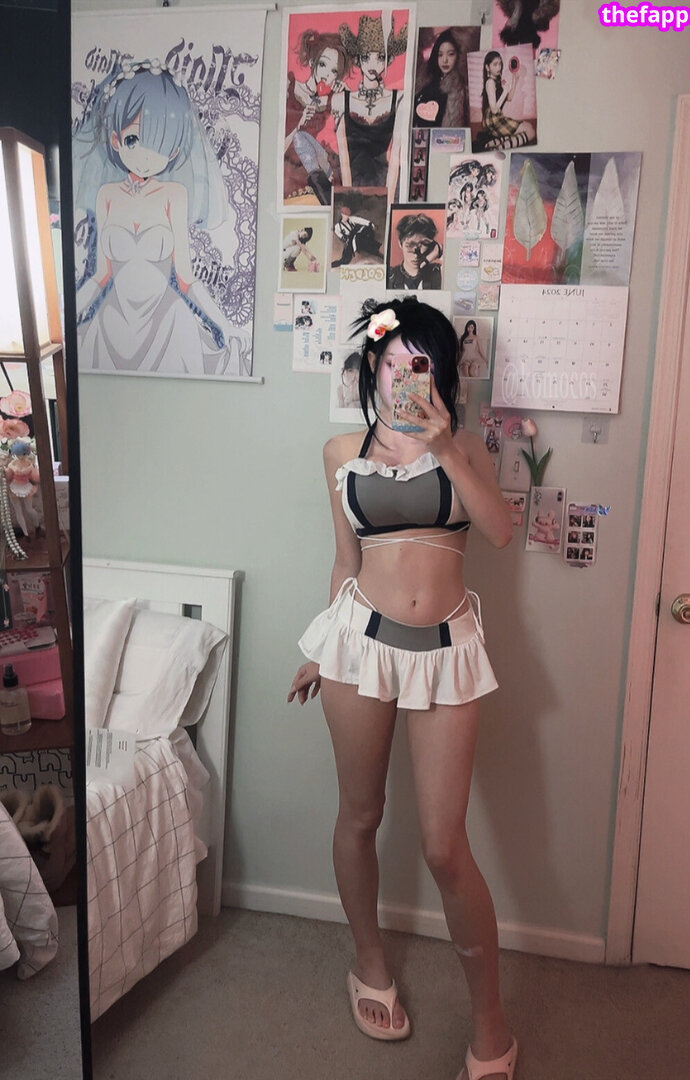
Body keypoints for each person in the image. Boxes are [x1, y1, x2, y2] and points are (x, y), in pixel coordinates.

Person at [288, 297, 518, 1080]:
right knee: (360, 815)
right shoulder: (339, 451)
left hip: (447, 651)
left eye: (416, 362)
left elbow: (499, 532)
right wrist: (319, 647)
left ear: (439, 371)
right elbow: (346, 563)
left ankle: (490, 1026)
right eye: (388, 362)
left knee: (444, 845)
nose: (400, 376)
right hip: (358, 647)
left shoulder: (465, 447)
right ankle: (370, 965)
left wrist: (445, 446)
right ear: (371, 370)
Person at [73, 60, 250, 375]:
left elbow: (185, 278)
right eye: (133, 140)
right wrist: (68, 315)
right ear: (116, 139)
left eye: (160, 145)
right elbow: (100, 275)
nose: (145, 156)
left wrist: (223, 324)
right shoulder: (107, 195)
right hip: (112, 321)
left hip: (168, 321)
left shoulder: (173, 195)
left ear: (173, 151)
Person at [334, 15, 408, 203]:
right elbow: (344, 158)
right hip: (351, 186)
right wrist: (350, 198)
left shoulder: (399, 97)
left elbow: (396, 154)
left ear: (389, 60)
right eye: (366, 57)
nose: (373, 65)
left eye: (380, 57)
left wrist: (388, 202)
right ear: (358, 60)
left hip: (388, 183)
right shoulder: (340, 99)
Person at [284, 30, 352, 205]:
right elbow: (278, 148)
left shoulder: (330, 99)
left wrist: (345, 96)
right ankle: (321, 187)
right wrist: (299, 123)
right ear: (312, 61)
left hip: (320, 163)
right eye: (323, 64)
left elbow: (352, 132)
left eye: (334, 71)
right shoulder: (290, 87)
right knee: (299, 137)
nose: (326, 75)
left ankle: (322, 187)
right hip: (292, 165)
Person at [478, 50, 535, 151]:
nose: (499, 67)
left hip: (496, 117)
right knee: (531, 132)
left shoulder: (496, 81)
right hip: (493, 119)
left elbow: (509, 98)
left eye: (500, 64)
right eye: (495, 64)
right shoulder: (490, 82)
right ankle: (498, 148)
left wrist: (514, 81)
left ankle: (493, 144)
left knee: (529, 127)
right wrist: (505, 91)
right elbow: (494, 109)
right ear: (487, 67)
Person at [412, 28, 467, 129]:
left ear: (458, 55)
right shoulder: (425, 78)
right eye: (440, 55)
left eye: (450, 54)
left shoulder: (458, 87)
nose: (444, 60)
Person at [388, 213, 443, 290]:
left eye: (423, 245)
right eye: (409, 245)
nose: (416, 255)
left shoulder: (439, 272)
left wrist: (439, 251)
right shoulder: (389, 276)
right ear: (400, 244)